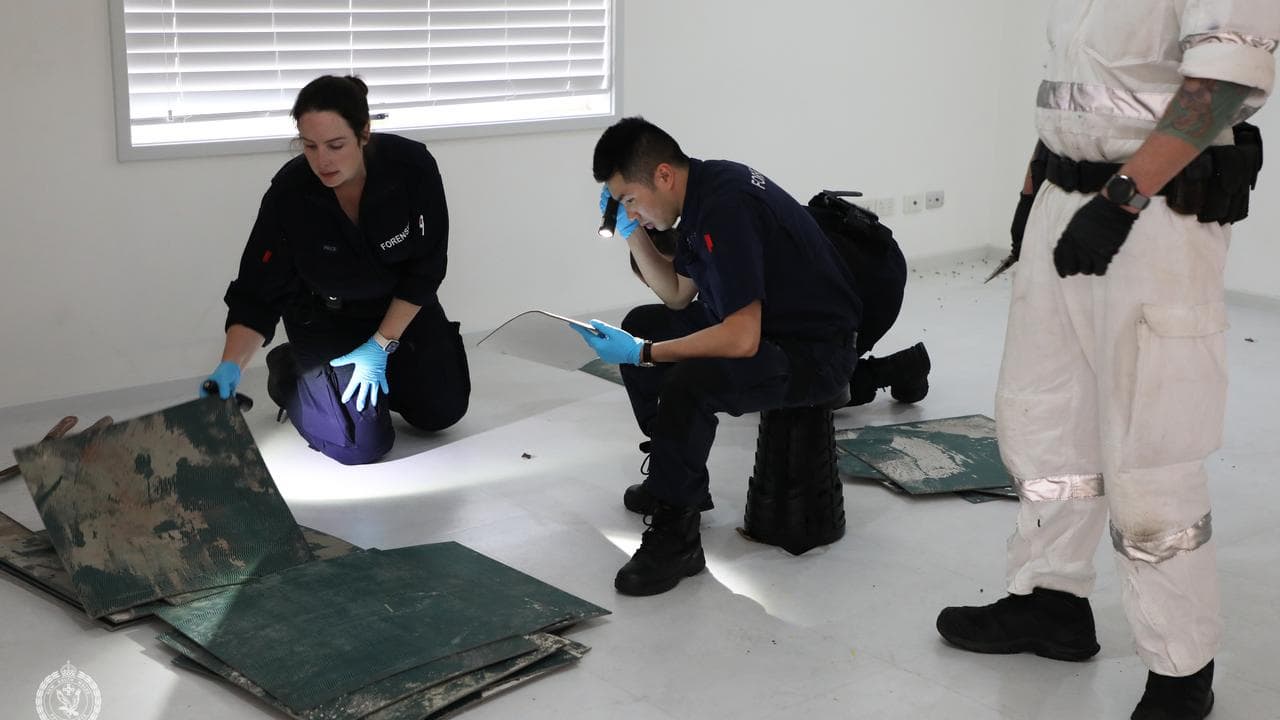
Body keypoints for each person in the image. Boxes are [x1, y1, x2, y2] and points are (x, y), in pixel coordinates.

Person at [935, 5, 1276, 719]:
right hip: (1066, 202)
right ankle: (1051, 601)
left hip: (1152, 221)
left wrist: (1122, 200)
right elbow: (1072, 91)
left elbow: (1223, 85)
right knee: (1045, 419)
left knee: (1152, 446)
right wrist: (1033, 194)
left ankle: (1182, 668)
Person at [574, 117, 924, 597]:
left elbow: (740, 339)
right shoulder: (701, 194)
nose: (631, 208)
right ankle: (675, 480)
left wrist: (646, 354)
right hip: (770, 332)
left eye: (630, 199)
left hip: (812, 354)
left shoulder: (726, 207)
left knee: (685, 378)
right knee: (644, 321)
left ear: (663, 176)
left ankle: (677, 538)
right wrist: (632, 230)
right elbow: (677, 295)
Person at [200, 75, 470, 465]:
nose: (321, 160)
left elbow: (429, 266)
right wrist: (230, 366)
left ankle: (370, 376)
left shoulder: (411, 167)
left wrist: (380, 345)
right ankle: (291, 372)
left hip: (400, 310)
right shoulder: (290, 194)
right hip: (325, 318)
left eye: (335, 145)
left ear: (364, 133)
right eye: (309, 146)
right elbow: (258, 292)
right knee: (360, 446)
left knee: (441, 412)